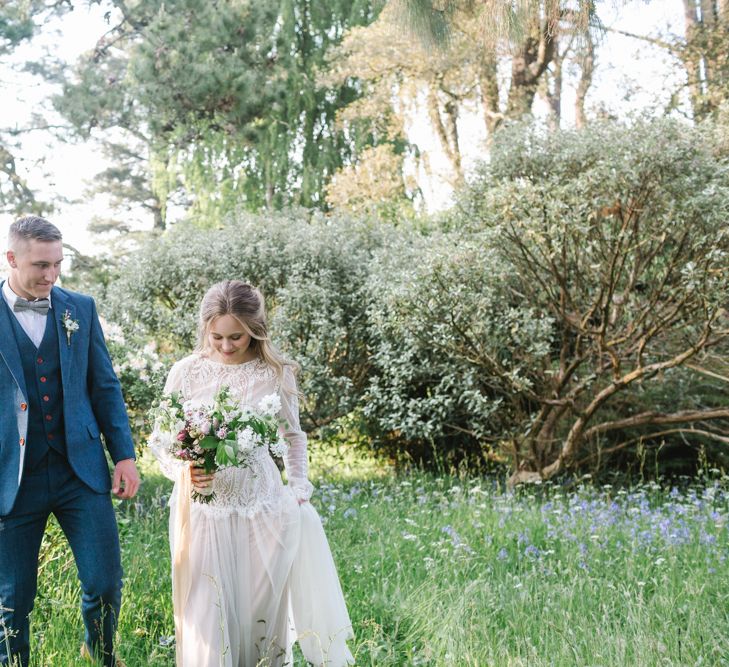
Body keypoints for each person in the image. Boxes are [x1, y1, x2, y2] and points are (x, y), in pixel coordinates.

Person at [149, 280, 353, 667]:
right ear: (205, 329)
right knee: (207, 615)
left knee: (260, 614)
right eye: (217, 337)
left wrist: (298, 487)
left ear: (255, 330)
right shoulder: (186, 372)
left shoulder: (275, 373)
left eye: (236, 337)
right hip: (204, 509)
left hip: (263, 507)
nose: (226, 346)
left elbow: (293, 437)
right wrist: (186, 469)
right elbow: (161, 439)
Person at [0, 216, 140, 666]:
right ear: (10, 259)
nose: (51, 275)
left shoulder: (79, 308)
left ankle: (101, 655)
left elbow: (104, 386)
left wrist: (123, 455)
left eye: (58, 264)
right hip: (11, 477)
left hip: (79, 470)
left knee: (105, 580)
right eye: (41, 265)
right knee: (11, 599)